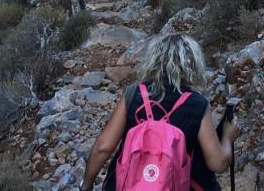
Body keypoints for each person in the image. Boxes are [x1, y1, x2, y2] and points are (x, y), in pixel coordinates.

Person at [80, 33, 239, 191]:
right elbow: (218, 163)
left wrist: (86, 186)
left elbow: (103, 147)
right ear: (193, 64)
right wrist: (227, 137)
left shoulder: (134, 93)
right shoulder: (197, 105)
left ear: (155, 60)